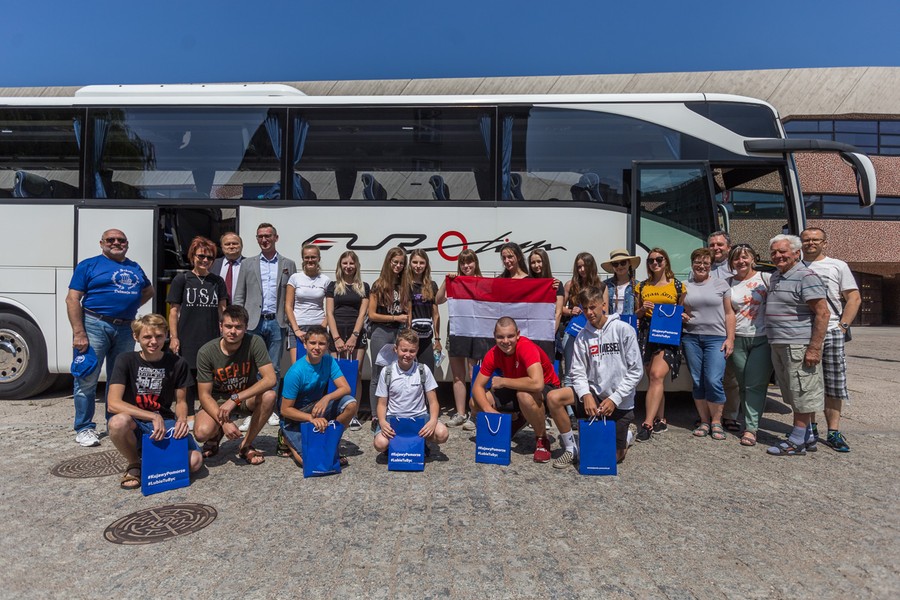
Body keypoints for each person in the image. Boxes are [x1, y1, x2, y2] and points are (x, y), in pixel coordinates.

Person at [66, 228, 154, 447]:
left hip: (125, 327)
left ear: (127, 243)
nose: (116, 243)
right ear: (101, 243)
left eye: (121, 240)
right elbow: (72, 299)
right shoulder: (89, 265)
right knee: (87, 378)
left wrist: (129, 307)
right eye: (111, 240)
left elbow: (148, 291)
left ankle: (115, 423)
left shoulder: (134, 267)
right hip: (95, 325)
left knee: (119, 380)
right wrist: (79, 332)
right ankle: (84, 428)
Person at [546, 286, 643, 467]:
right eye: (585, 308)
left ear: (603, 306)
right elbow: (577, 371)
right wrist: (585, 395)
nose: (589, 312)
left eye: (593, 307)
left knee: (611, 458)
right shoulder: (582, 336)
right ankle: (570, 448)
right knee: (553, 397)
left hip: (619, 401)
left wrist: (615, 398)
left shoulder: (624, 330)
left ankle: (628, 435)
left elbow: (636, 370)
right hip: (594, 394)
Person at [107, 314, 203, 490]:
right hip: (135, 422)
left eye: (159, 336)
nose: (153, 342)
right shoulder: (125, 360)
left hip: (165, 422)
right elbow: (113, 403)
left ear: (166, 335)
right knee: (117, 422)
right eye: (147, 337)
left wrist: (181, 420)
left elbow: (181, 401)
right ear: (136, 337)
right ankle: (134, 464)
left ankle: (154, 462)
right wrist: (151, 416)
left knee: (195, 461)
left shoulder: (177, 363)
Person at [765, 234, 829, 456]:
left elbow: (823, 313)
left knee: (803, 392)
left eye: (783, 251)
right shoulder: (776, 277)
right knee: (793, 393)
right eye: (774, 252)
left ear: (796, 253)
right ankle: (808, 436)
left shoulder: (806, 276)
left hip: (798, 346)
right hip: (780, 344)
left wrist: (814, 348)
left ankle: (796, 441)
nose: (778, 256)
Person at [801, 226, 861, 452]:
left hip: (832, 331)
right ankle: (810, 429)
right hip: (804, 331)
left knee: (834, 383)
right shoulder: (795, 266)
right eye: (806, 240)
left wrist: (843, 326)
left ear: (824, 243)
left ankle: (834, 432)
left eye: (816, 240)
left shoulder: (838, 265)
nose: (811, 243)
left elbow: (853, 298)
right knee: (807, 383)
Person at [193, 305, 278, 465]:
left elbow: (270, 379)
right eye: (228, 326)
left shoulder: (254, 342)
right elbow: (204, 395)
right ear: (221, 327)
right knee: (201, 433)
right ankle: (214, 436)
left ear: (246, 328)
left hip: (245, 397)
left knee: (269, 396)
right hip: (218, 400)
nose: (233, 331)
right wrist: (224, 422)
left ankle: (245, 445)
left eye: (238, 327)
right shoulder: (206, 352)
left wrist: (235, 398)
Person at [470, 317, 561, 462]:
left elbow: (538, 384)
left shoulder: (526, 347)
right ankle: (518, 418)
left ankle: (542, 439)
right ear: (494, 336)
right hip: (516, 387)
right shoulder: (493, 353)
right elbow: (477, 387)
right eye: (500, 337)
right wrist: (489, 410)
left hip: (547, 389)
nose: (505, 341)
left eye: (510, 336)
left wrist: (503, 381)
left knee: (524, 395)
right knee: (474, 403)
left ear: (518, 334)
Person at [233, 223, 297, 429]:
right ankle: (252, 410)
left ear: (276, 238)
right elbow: (240, 295)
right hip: (253, 321)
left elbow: (292, 297)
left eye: (268, 236)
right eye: (260, 236)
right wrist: (237, 320)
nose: (264, 240)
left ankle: (271, 410)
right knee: (252, 368)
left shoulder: (289, 264)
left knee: (274, 368)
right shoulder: (247, 264)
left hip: (277, 322)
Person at [279, 325, 358, 468]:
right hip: (294, 418)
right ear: (305, 344)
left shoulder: (328, 360)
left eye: (321, 343)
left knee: (351, 404)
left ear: (328, 345)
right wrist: (311, 419)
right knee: (308, 462)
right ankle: (285, 437)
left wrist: (326, 398)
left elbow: (346, 388)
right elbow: (285, 410)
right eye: (312, 343)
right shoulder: (296, 372)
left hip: (317, 407)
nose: (317, 347)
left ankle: (330, 441)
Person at [166, 236, 227, 416]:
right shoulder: (182, 279)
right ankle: (187, 416)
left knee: (209, 377)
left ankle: (208, 414)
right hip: (187, 337)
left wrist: (225, 333)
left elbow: (222, 309)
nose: (205, 261)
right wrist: (174, 337)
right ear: (193, 256)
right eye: (201, 256)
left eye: (209, 258)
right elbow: (173, 311)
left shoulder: (217, 281)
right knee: (188, 379)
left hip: (211, 337)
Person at [682, 248, 736, 441]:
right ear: (692, 263)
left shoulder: (721, 284)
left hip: (716, 338)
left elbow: (729, 313)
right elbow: (683, 310)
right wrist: (683, 315)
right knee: (697, 380)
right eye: (698, 262)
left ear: (711, 265)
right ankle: (704, 421)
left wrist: (730, 338)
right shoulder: (684, 286)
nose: (701, 266)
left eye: (705, 262)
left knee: (713, 379)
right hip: (691, 337)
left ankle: (716, 421)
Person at [634, 247, 685, 442]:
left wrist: (683, 316)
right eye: (651, 260)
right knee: (653, 377)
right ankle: (660, 418)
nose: (655, 263)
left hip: (667, 334)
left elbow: (683, 311)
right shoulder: (642, 286)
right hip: (647, 333)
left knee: (656, 375)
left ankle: (646, 424)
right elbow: (637, 314)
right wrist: (641, 310)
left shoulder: (678, 286)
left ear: (666, 262)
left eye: (659, 259)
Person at [435, 249, 489, 428]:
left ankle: (474, 413)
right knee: (458, 375)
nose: (466, 266)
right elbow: (438, 300)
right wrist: (446, 281)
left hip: (477, 331)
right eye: (463, 263)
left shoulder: (483, 281)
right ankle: (460, 413)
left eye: (470, 262)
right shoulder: (455, 281)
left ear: (476, 263)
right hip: (457, 329)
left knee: (474, 374)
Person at [373, 329, 449, 454]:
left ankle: (421, 441)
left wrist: (433, 421)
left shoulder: (423, 370)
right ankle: (394, 446)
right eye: (404, 350)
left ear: (417, 351)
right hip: (394, 418)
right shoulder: (387, 372)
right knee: (380, 444)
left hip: (419, 417)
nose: (407, 355)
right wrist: (382, 421)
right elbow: (381, 404)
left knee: (442, 434)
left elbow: (433, 402)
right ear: (395, 349)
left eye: (412, 351)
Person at [726, 244, 772, 447]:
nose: (741, 261)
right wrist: (729, 338)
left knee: (755, 383)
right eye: (736, 258)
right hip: (738, 338)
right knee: (743, 383)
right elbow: (729, 314)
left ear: (753, 258)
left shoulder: (766, 279)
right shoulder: (728, 284)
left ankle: (751, 428)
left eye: (745, 257)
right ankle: (748, 421)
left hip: (762, 338)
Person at [325, 250, 370, 431]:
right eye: (345, 263)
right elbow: (329, 312)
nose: (348, 266)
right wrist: (335, 337)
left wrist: (354, 336)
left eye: (352, 263)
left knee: (356, 373)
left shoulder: (364, 286)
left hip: (356, 333)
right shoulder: (333, 286)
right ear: (340, 265)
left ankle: (354, 414)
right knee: (336, 374)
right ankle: (336, 412)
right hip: (337, 332)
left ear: (356, 265)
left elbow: (363, 313)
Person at [367, 247, 407, 426]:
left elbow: (409, 312)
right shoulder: (378, 284)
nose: (398, 266)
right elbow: (372, 315)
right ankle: (376, 415)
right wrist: (395, 317)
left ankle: (393, 411)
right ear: (388, 262)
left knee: (398, 373)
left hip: (399, 333)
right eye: (395, 262)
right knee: (378, 374)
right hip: (381, 333)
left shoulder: (405, 284)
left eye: (401, 263)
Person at [708, 230, 741, 432]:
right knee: (711, 376)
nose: (716, 248)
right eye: (712, 245)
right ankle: (710, 416)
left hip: (730, 328)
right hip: (710, 329)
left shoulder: (737, 269)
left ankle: (730, 415)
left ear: (729, 247)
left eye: (720, 245)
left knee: (730, 377)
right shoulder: (702, 267)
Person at [286, 243, 330, 361]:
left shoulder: (325, 280)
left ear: (318, 258)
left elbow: (331, 309)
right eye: (307, 257)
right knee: (297, 367)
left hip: (318, 325)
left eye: (313, 257)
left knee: (318, 367)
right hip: (298, 326)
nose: (310, 260)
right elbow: (288, 306)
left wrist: (323, 326)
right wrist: (296, 330)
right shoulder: (295, 278)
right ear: (303, 259)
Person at [401, 249, 441, 372]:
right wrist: (407, 336)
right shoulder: (405, 284)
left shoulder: (431, 285)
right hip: (410, 338)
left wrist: (437, 339)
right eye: (415, 262)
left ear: (426, 265)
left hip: (426, 339)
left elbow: (435, 315)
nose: (418, 266)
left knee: (428, 373)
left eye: (421, 263)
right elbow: (407, 312)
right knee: (407, 374)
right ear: (410, 264)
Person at [527, 248, 564, 359]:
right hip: (530, 334)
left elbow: (558, 313)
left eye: (539, 261)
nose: (536, 265)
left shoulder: (556, 284)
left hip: (549, 335)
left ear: (545, 262)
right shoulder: (526, 282)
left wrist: (550, 334)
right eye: (533, 262)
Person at [600, 249, 639, 317]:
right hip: (611, 325)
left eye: (623, 263)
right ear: (612, 266)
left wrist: (637, 319)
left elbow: (639, 308)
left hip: (630, 325)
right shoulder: (605, 285)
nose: (619, 266)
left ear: (629, 263)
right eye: (615, 264)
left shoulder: (637, 285)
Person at [211, 232, 244, 304]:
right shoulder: (212, 264)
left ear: (241, 246)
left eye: (235, 243)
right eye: (227, 244)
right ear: (222, 247)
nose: (231, 246)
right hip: (218, 309)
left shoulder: (249, 264)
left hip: (240, 310)